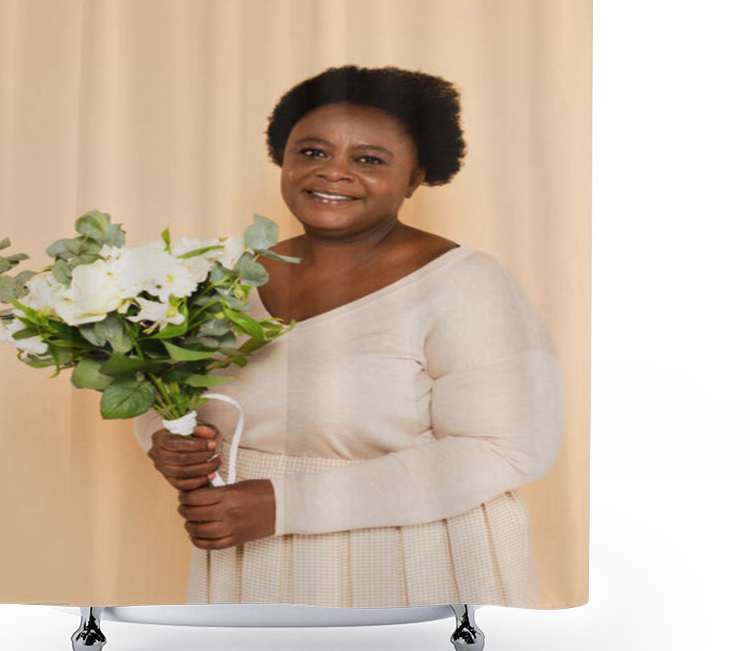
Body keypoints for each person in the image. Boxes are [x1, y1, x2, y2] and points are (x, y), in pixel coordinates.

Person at [133, 64, 565, 608]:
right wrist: (164, 441)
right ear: (283, 158)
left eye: (369, 160)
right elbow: (161, 390)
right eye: (312, 152)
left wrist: (284, 505)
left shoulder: (465, 284)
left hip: (417, 556)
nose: (333, 172)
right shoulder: (223, 276)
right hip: (252, 551)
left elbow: (504, 450)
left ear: (415, 177)